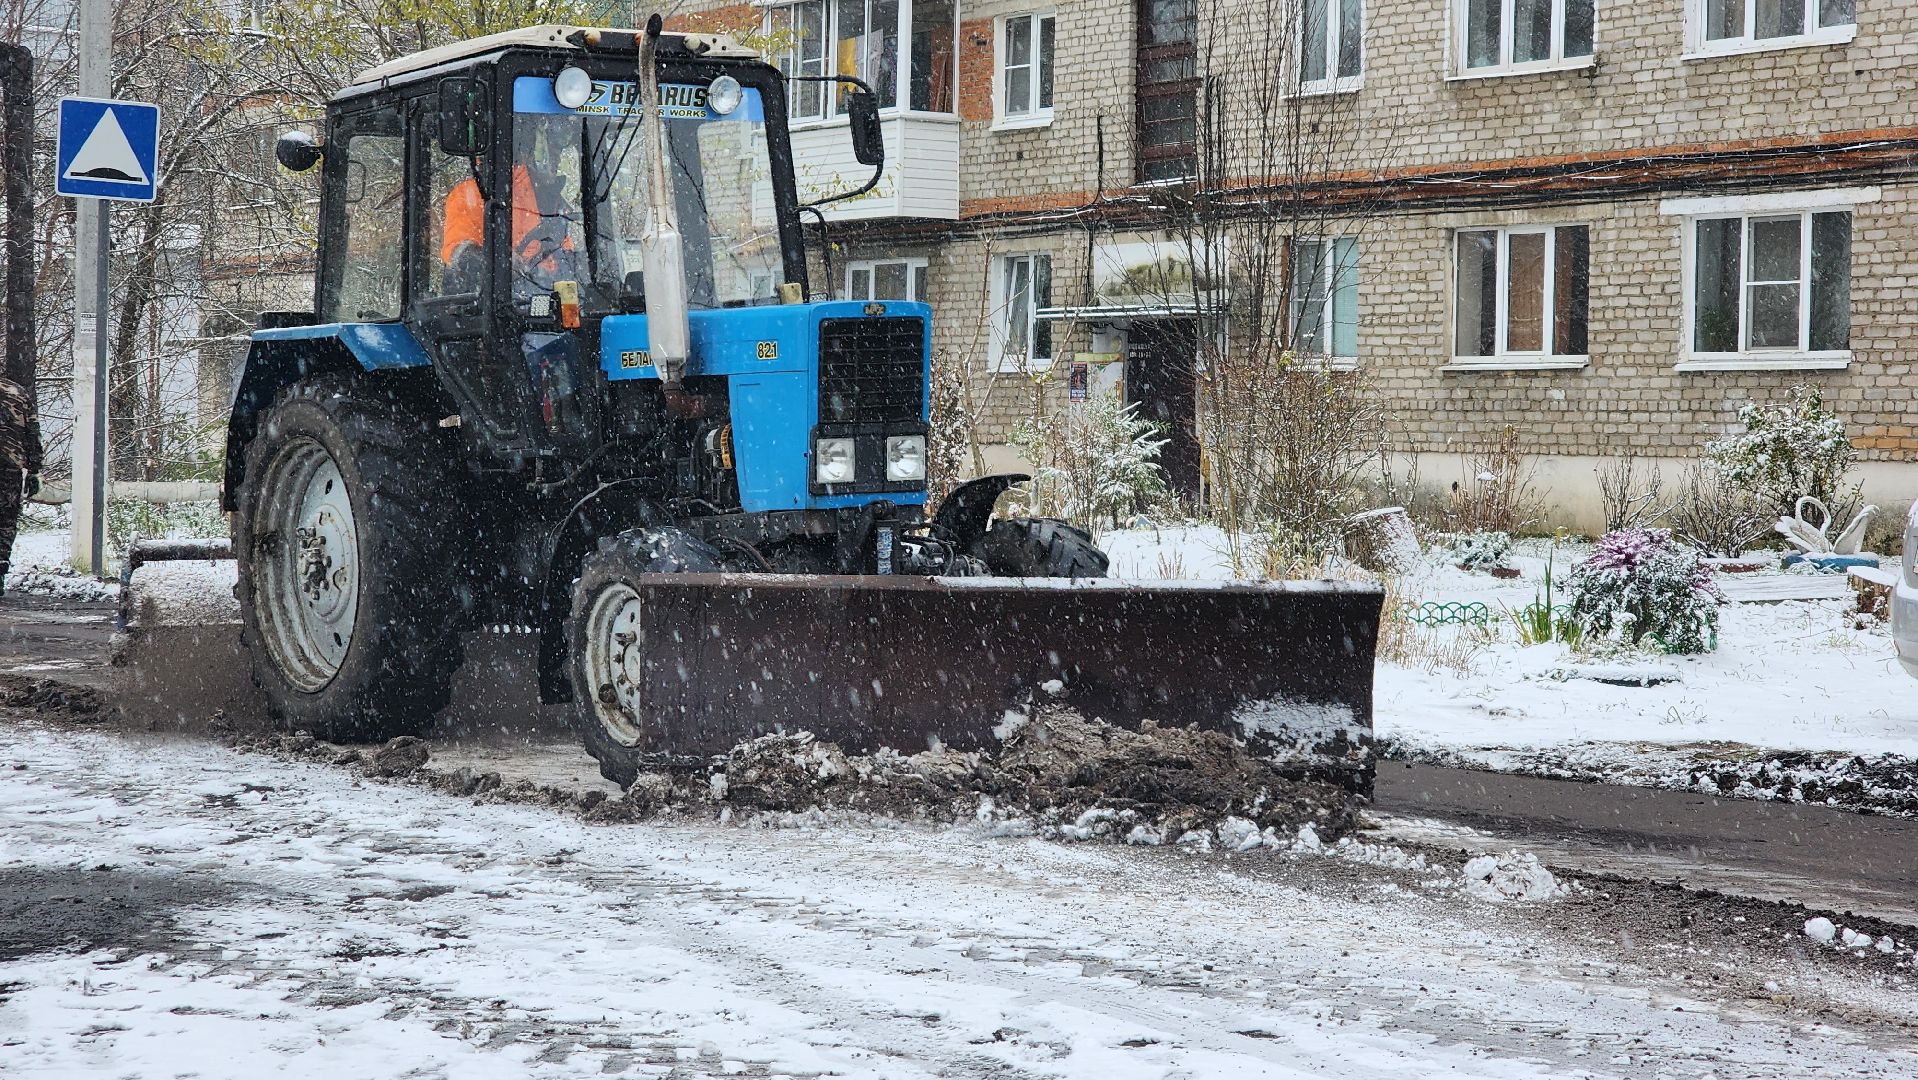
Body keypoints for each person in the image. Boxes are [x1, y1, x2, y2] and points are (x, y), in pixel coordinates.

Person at [440, 117, 580, 295]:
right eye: (550, 147)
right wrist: (503, 264)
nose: (558, 157)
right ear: (529, 151)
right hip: (497, 304)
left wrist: (579, 264)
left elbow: (564, 257)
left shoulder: (551, 199)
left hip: (543, 300)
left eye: (559, 148)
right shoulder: (472, 194)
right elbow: (459, 252)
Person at [0, 375, 42, 597]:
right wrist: (34, 469)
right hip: (9, 467)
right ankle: (0, 567)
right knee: (6, 520)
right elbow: (32, 432)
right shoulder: (17, 392)